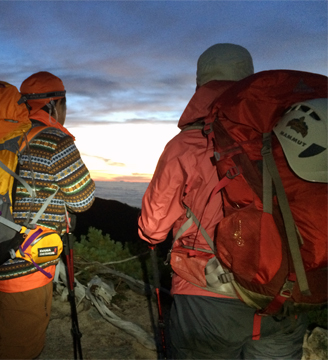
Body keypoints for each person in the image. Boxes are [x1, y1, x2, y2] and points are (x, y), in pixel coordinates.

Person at [138, 43, 308, 359]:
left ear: (200, 84)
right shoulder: (288, 136)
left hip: (208, 297)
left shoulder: (187, 143)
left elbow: (151, 228)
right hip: (285, 294)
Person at [0, 71, 96, 359]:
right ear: (54, 105)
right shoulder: (55, 140)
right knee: (20, 348)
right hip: (27, 271)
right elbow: (83, 200)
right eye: (64, 103)